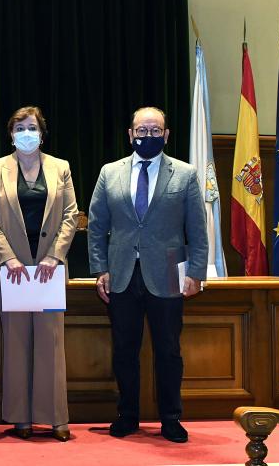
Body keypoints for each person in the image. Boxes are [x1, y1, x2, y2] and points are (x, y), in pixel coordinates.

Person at [87, 106, 208, 443]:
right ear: (130, 134)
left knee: (168, 350)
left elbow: (197, 230)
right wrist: (100, 269)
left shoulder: (184, 175)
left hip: (169, 273)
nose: (149, 136)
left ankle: (171, 418)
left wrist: (196, 272)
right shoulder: (109, 173)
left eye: (156, 131)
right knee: (124, 349)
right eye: (142, 130)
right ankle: (128, 415)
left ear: (166, 135)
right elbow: (97, 227)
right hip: (121, 274)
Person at [0, 106, 78, 442]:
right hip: (13, 273)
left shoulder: (60, 168)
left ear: (42, 132)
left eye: (32, 127)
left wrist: (55, 256)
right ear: (10, 134)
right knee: (17, 343)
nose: (26, 133)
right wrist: (8, 259)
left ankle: (55, 418)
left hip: (49, 271)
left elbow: (70, 216)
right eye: (20, 127)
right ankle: (21, 417)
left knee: (51, 344)